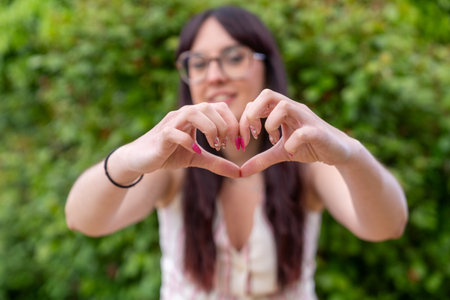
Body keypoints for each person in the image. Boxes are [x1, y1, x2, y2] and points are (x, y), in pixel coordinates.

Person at [65, 5, 408, 299]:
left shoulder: (305, 159)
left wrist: (350, 153)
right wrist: (127, 159)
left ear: (266, 66)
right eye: (198, 63)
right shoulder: (172, 165)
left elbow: (387, 226)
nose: (214, 75)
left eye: (233, 57)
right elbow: (82, 220)